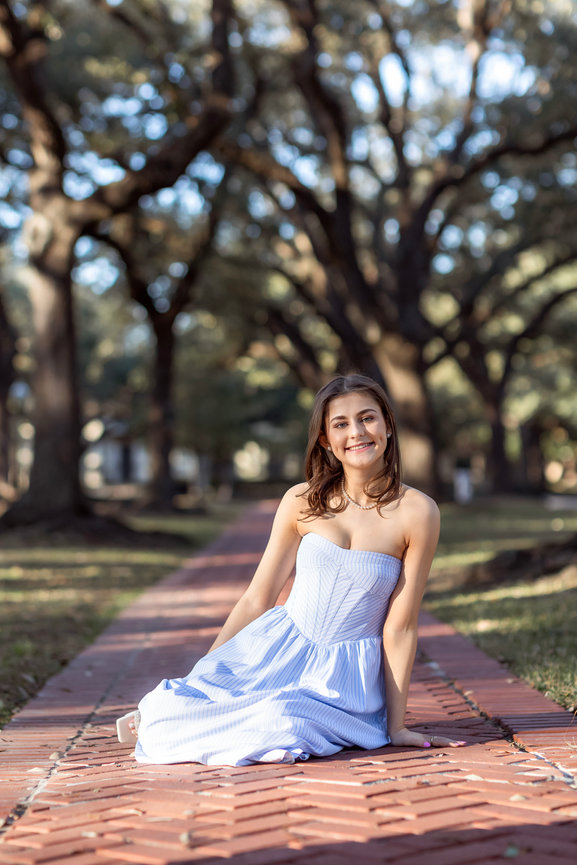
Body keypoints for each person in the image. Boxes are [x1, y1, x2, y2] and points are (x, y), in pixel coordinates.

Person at [117, 373, 466, 764]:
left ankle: (191, 725)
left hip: (342, 680)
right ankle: (176, 714)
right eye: (340, 424)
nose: (357, 432)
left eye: (368, 418)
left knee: (282, 717)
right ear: (325, 440)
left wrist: (396, 726)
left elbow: (400, 626)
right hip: (277, 648)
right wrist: (202, 678)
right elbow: (258, 598)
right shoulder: (301, 501)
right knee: (181, 700)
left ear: (387, 424)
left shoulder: (418, 512)